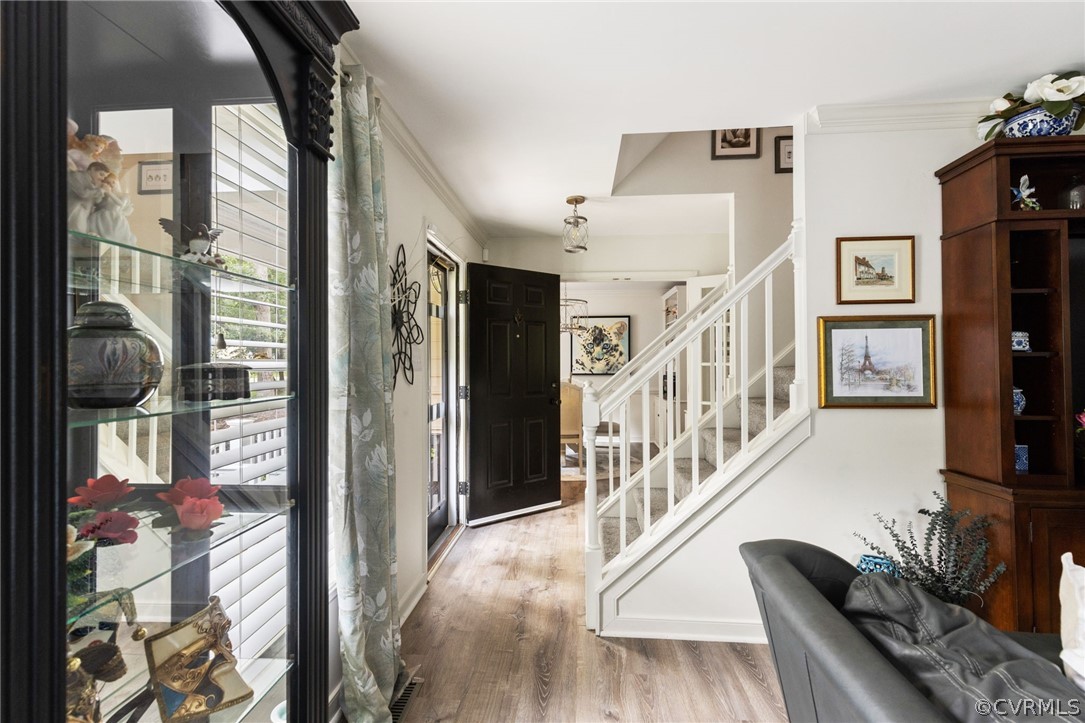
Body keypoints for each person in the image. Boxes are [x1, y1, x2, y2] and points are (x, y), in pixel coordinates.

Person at [87, 172, 137, 244]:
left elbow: (120, 204)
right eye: (108, 182)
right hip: (102, 217)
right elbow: (97, 205)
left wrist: (110, 193)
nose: (111, 184)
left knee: (113, 236)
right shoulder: (104, 196)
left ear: (117, 183)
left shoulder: (123, 195)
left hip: (115, 218)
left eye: (113, 182)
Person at [68, 161, 110, 234]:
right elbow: (83, 193)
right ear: (92, 170)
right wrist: (101, 190)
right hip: (74, 211)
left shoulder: (95, 184)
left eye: (104, 177)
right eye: (101, 174)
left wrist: (104, 192)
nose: (102, 178)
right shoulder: (77, 176)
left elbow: (97, 202)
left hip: (84, 215)